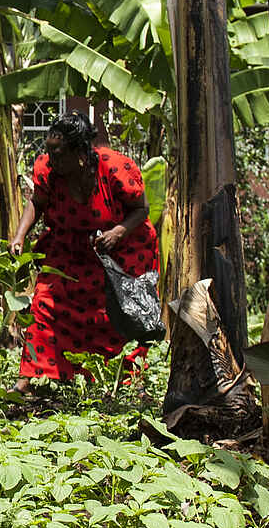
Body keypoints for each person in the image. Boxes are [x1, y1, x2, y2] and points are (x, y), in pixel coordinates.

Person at [10, 113, 158, 383]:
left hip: (120, 253)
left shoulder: (114, 168)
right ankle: (28, 380)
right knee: (44, 303)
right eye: (49, 152)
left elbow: (142, 209)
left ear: (79, 154)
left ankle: (121, 380)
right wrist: (19, 236)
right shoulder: (48, 171)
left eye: (58, 154)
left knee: (118, 316)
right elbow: (37, 203)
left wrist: (117, 232)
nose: (51, 160)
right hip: (70, 251)